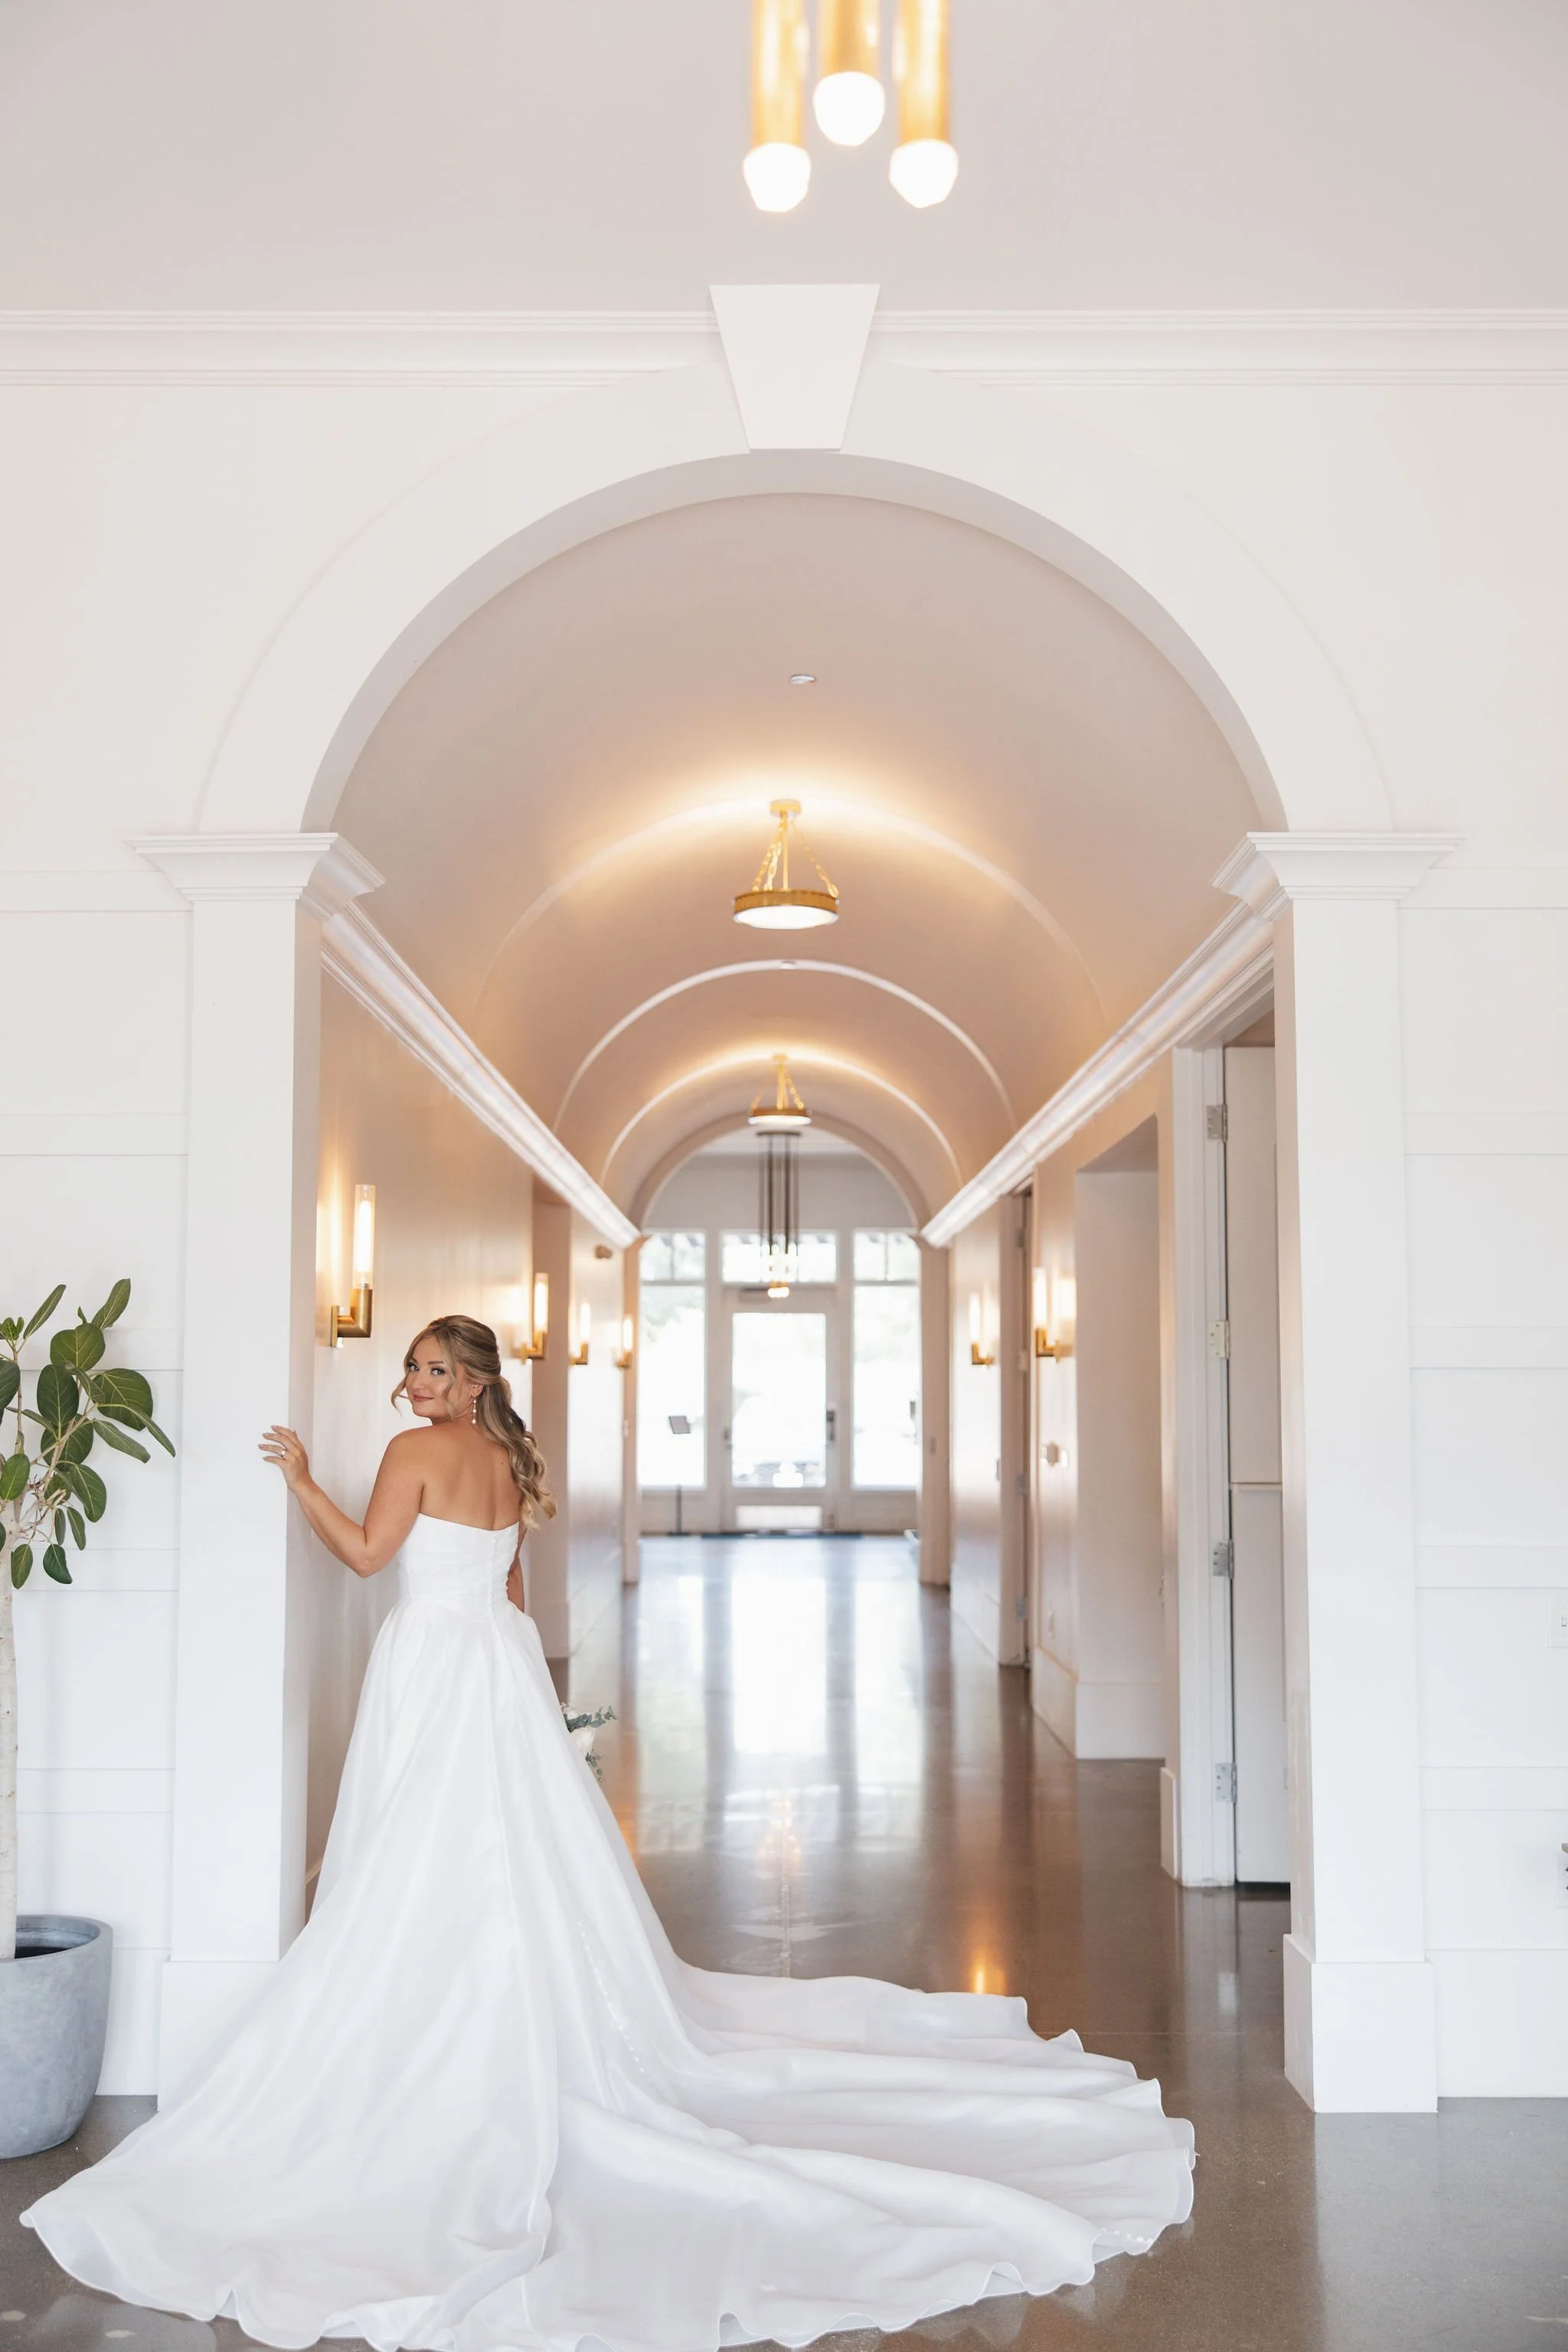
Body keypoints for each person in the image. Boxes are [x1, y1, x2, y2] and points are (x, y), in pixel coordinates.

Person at [23, 1313, 1194, 2352]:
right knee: (505, 1849)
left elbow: (368, 1556)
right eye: (411, 1371)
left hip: (433, 1668)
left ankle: (430, 2009)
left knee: (420, 1845)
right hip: (492, 1666)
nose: (413, 1386)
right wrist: (534, 1701)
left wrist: (299, 1480)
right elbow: (515, 1594)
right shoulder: (501, 1459)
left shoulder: (413, 1456)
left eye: (432, 1370)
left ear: (473, 1381)